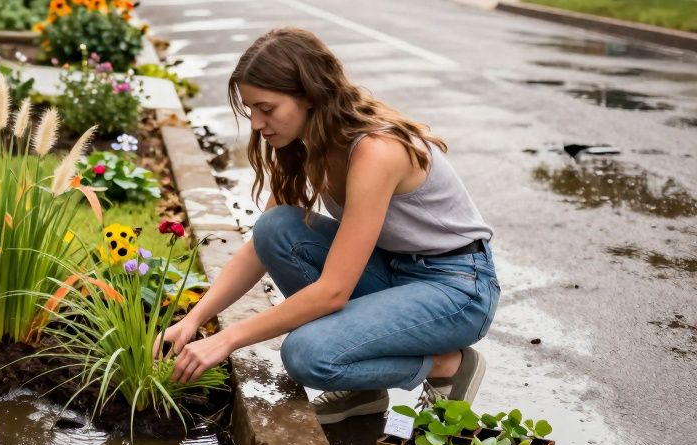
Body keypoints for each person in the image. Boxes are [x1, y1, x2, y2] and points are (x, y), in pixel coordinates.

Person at [157, 27, 499, 424]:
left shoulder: (375, 151)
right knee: (276, 227)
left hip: (456, 290)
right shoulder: (310, 140)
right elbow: (259, 248)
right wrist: (193, 320)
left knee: (307, 354)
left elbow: (334, 291)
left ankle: (445, 365)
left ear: (310, 95)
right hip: (395, 271)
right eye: (251, 110)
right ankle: (363, 390)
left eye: (266, 108)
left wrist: (226, 340)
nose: (256, 123)